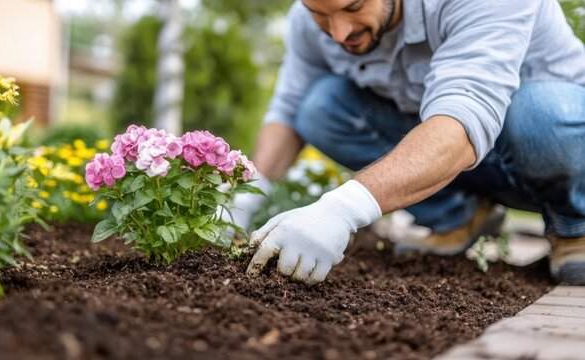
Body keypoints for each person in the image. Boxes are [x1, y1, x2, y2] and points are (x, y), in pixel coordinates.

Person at [226, 0, 585, 285]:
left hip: (555, 151)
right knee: (320, 108)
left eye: (353, 8)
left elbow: (465, 117)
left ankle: (574, 226)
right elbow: (289, 107)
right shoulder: (310, 22)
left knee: (540, 117)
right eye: (321, 15)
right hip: (458, 161)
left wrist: (342, 208)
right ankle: (459, 216)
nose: (338, 33)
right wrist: (243, 197)